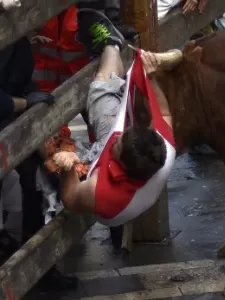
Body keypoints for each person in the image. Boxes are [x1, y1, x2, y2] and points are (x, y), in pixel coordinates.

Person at [53, 10, 173, 223]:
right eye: (124, 134)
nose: (116, 138)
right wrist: (151, 77)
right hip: (125, 179)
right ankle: (112, 44)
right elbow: (162, 112)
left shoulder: (99, 192)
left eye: (117, 145)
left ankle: (111, 48)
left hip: (107, 191)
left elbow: (71, 199)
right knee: (102, 85)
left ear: (121, 165)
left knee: (52, 151)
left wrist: (69, 167)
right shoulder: (164, 147)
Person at [0, 36, 78, 288]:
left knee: (32, 182)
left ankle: (36, 265)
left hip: (14, 118)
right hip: (9, 115)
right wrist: (23, 103)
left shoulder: (17, 37)